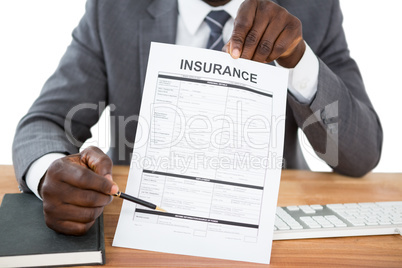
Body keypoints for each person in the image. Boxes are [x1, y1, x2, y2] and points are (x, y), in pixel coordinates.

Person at [12, 0, 382, 235]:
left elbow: (362, 152)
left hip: (264, 224)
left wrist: (298, 60)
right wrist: (50, 173)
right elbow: (43, 123)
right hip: (140, 219)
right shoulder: (114, 8)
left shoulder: (313, 7)